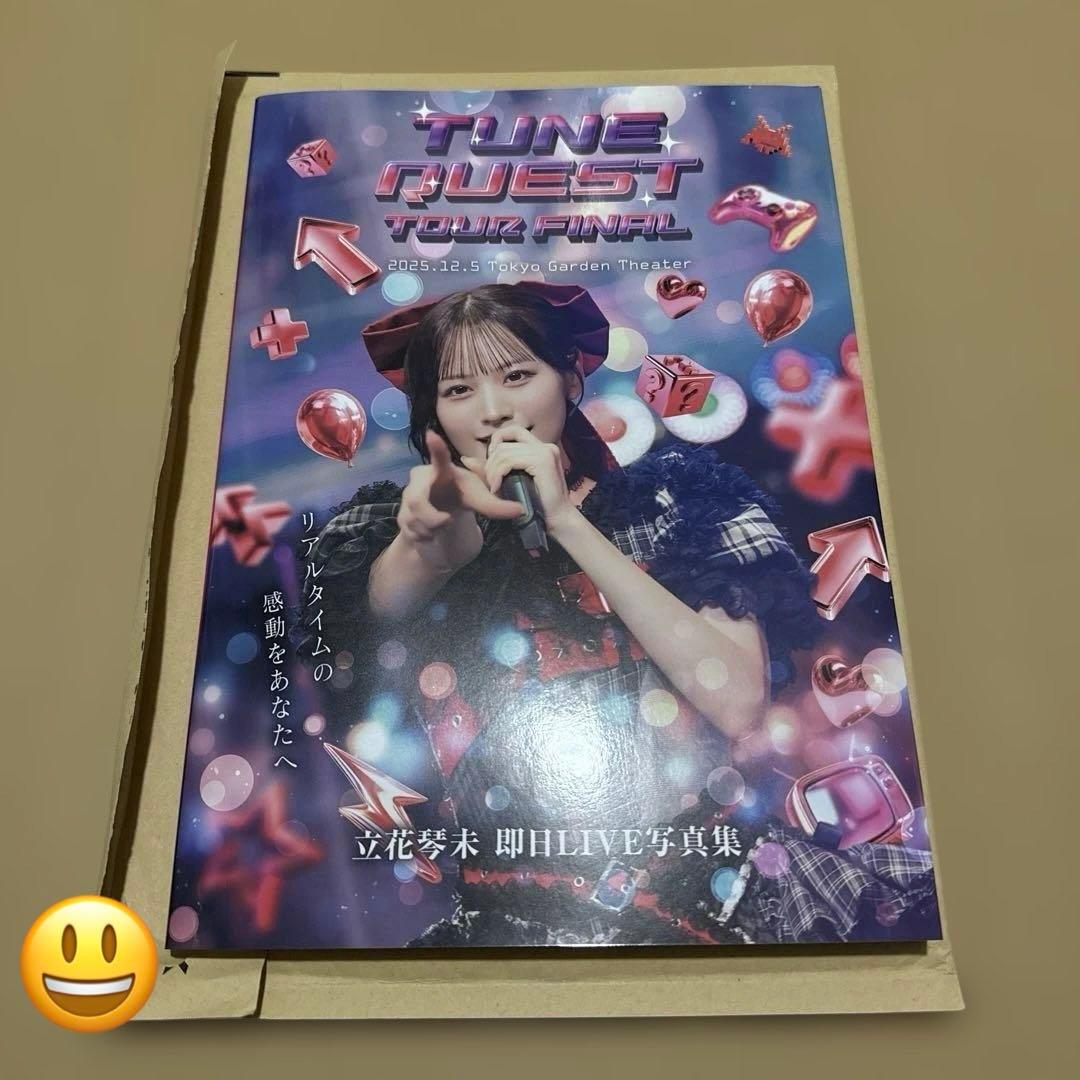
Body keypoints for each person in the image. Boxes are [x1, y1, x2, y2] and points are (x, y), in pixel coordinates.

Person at [297, 281, 939, 946]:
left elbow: (737, 703)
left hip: (716, 897)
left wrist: (567, 522)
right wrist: (427, 548)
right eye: (458, 391)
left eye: (517, 377)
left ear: (570, 380)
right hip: (514, 920)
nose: (492, 411)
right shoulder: (395, 530)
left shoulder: (678, 506)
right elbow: (377, 609)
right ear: (431, 414)